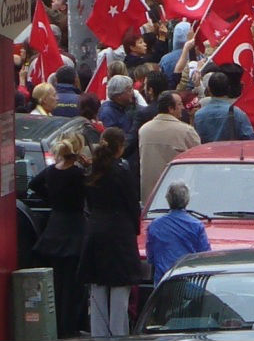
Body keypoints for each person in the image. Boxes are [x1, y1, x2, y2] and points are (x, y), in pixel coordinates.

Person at [77, 128, 140, 338]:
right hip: (119, 234)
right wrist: (135, 229)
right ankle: (118, 335)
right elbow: (133, 205)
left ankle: (99, 335)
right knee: (120, 291)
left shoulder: (92, 171)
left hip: (95, 231)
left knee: (97, 290)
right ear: (120, 148)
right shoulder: (122, 172)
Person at [28, 133, 88, 337]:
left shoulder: (51, 172)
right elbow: (90, 192)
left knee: (56, 283)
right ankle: (69, 326)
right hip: (74, 229)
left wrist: (51, 200)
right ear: (77, 153)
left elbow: (33, 184)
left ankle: (56, 324)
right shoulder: (78, 174)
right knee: (72, 284)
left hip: (54, 228)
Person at [138, 90, 201, 200]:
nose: (183, 107)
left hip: (149, 198)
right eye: (180, 104)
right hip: (178, 198)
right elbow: (199, 159)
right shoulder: (186, 131)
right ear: (170, 108)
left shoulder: (144, 130)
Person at [145, 182, 211, 285]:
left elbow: (151, 257)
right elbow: (205, 256)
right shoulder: (196, 225)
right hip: (189, 282)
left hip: (163, 282)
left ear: (168, 199)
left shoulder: (155, 225)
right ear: (187, 200)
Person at [193, 72, 254, 142]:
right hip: (231, 152)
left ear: (209, 89)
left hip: (207, 152)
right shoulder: (237, 113)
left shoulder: (198, 115)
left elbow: (196, 140)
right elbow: (250, 138)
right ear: (228, 89)